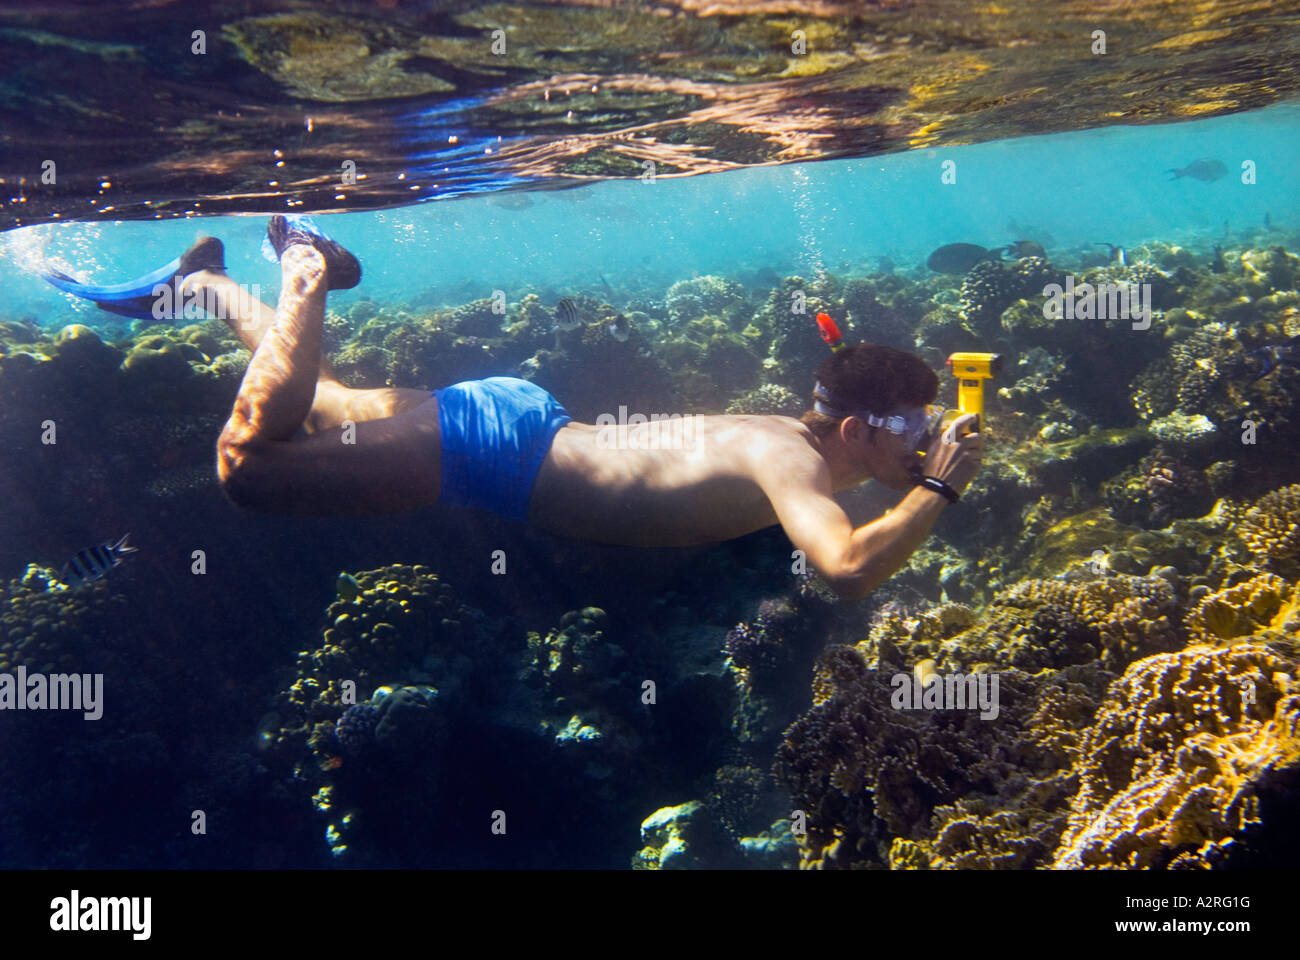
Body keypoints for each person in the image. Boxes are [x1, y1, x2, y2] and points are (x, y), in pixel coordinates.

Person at [46, 216, 983, 601]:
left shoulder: (794, 435)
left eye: (929, 433)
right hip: (494, 452)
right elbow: (849, 567)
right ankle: (301, 268)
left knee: (320, 397)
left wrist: (922, 459)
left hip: (520, 424)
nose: (929, 444)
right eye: (917, 430)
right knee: (247, 471)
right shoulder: (797, 465)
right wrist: (940, 485)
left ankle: (204, 286)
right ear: (859, 428)